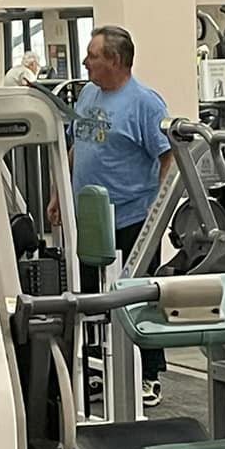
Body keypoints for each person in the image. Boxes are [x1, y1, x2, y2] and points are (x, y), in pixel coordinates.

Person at [67, 25, 176, 407]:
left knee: (137, 297)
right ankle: (99, 368)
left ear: (114, 60)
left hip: (132, 217)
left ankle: (148, 375)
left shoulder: (145, 103)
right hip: (89, 218)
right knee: (92, 299)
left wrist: (157, 210)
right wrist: (57, 194)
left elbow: (168, 156)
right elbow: (76, 145)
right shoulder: (87, 94)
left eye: (92, 55)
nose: (86, 62)